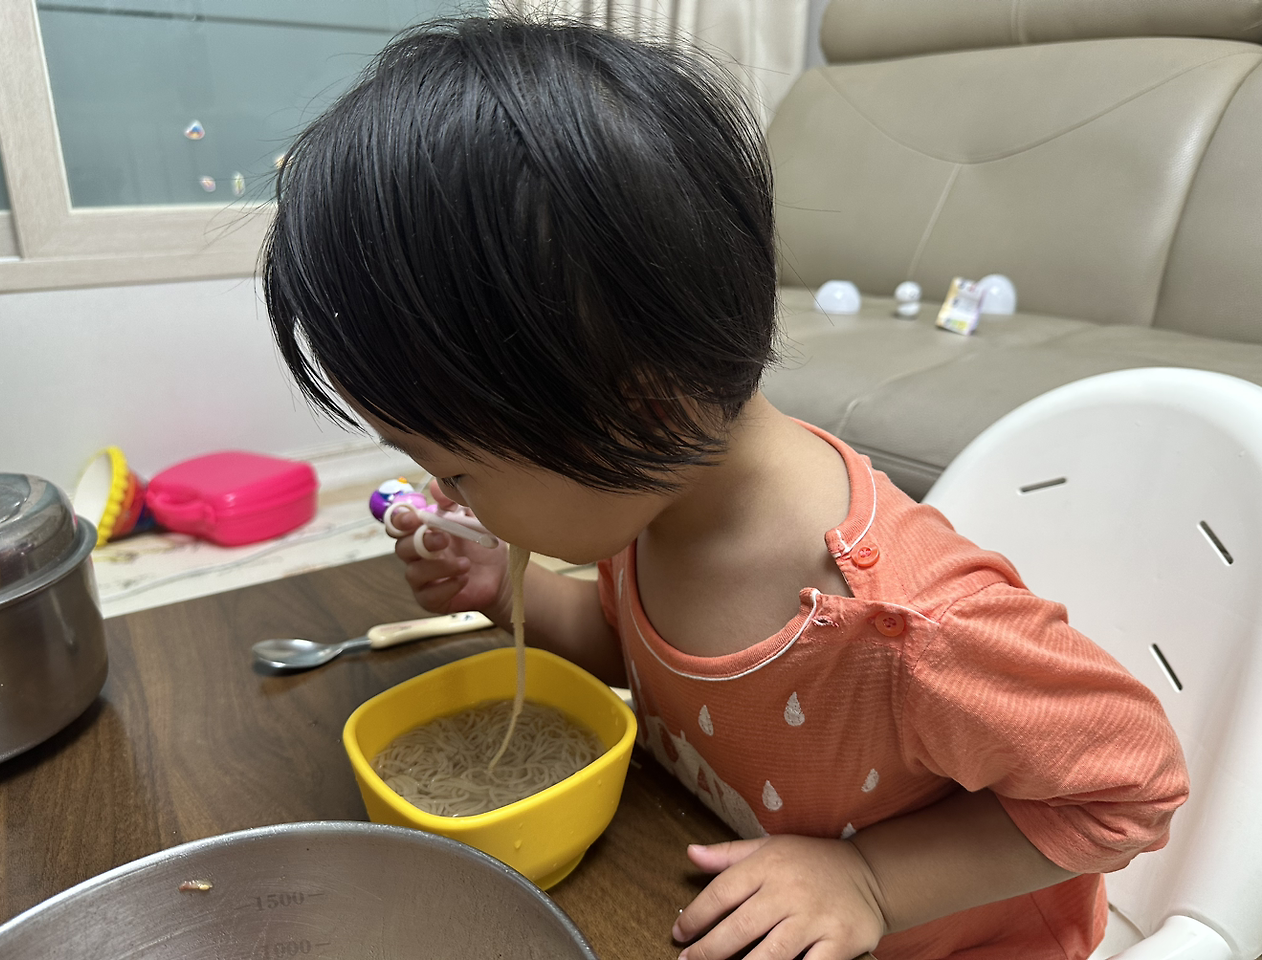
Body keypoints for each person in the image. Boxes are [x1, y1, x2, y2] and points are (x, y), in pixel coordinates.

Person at [261, 16, 1188, 960]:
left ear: (640, 415)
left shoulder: (906, 630)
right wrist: (506, 590)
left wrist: (872, 880)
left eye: (457, 469)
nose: (444, 494)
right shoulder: (651, 502)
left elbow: (1131, 787)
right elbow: (642, 659)